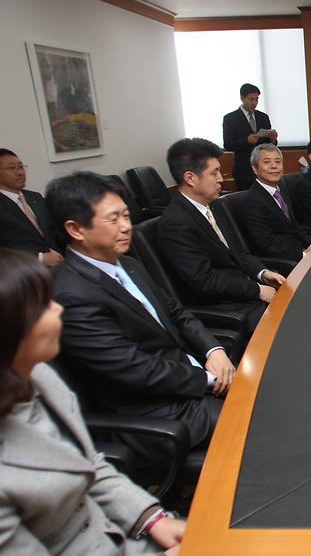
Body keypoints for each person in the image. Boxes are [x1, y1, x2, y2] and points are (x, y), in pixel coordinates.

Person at [0, 248, 185, 555]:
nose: (58, 309)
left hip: (120, 530)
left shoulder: (38, 376)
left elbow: (90, 464)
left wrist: (151, 518)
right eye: (42, 306)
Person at [46, 172, 233, 467]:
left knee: (268, 393)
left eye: (126, 215)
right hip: (155, 413)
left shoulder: (127, 263)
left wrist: (214, 350)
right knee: (258, 427)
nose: (126, 227)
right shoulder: (73, 294)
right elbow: (135, 370)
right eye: (113, 219)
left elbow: (176, 312)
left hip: (184, 378)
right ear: (76, 229)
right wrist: (208, 379)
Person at [158, 138, 286, 331]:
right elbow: (205, 282)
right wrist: (257, 290)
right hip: (224, 307)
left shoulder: (215, 205)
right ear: (190, 178)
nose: (221, 179)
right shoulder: (175, 223)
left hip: (245, 290)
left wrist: (263, 273)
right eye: (214, 172)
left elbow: (239, 253)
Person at [238, 143, 311, 263]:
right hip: (284, 261)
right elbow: (267, 245)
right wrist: (303, 255)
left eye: (278, 162)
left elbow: (295, 227)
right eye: (267, 162)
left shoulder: (281, 190)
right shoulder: (251, 201)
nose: (274, 166)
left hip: (301, 250)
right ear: (255, 168)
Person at [0, 148, 64, 267]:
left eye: (20, 167)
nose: (20, 172)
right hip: (24, 272)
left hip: (59, 265)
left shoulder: (35, 197)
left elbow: (53, 229)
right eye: (11, 168)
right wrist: (38, 258)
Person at [222, 83, 277, 191]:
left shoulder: (263, 117)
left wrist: (273, 140)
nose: (254, 103)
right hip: (243, 168)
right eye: (251, 99)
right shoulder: (230, 118)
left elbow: (270, 145)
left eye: (256, 99)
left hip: (263, 166)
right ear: (242, 98)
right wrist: (246, 141)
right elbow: (228, 144)